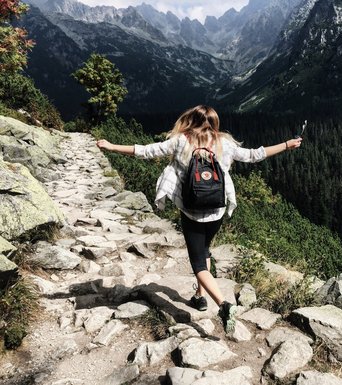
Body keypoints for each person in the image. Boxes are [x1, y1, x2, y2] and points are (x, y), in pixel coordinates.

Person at [96, 105, 302, 333]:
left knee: (197, 262)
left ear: (190, 120)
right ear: (214, 122)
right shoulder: (225, 143)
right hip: (216, 210)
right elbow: (255, 155)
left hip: (192, 212)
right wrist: (286, 145)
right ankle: (199, 296)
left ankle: (223, 305)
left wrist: (112, 146)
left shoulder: (180, 141)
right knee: (205, 251)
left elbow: (146, 151)